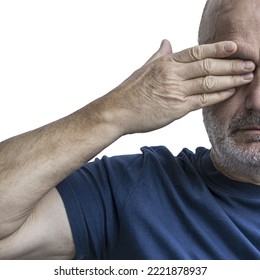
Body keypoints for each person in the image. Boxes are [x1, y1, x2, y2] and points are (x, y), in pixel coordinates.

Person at [0, 0, 259, 260]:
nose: (256, 100)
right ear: (203, 70)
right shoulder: (135, 191)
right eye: (238, 66)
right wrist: (114, 113)